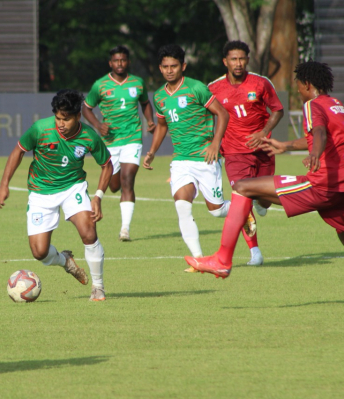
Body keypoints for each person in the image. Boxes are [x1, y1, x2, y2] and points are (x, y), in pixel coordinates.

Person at [186, 60, 344, 279]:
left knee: (242, 187)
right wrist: (286, 145)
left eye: (298, 85)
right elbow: (330, 138)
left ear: (307, 84)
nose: (298, 90)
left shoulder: (313, 105)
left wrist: (314, 155)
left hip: (321, 184)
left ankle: (222, 260)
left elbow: (319, 134)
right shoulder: (336, 104)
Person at [0, 89, 113, 301]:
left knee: (88, 232)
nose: (60, 123)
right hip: (41, 192)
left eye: (66, 119)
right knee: (39, 252)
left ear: (78, 116)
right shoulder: (40, 129)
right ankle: (64, 260)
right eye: (58, 118)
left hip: (72, 187)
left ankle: (98, 287)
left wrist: (98, 197)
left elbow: (107, 165)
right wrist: (4, 185)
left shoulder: (89, 136)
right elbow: (18, 151)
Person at [143, 44, 236, 272]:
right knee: (182, 206)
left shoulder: (196, 88)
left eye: (174, 66)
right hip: (181, 161)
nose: (169, 70)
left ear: (183, 66)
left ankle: (244, 208)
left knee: (216, 210)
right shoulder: (160, 97)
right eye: (165, 67)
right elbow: (162, 125)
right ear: (160, 68)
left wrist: (215, 143)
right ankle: (199, 259)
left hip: (205, 158)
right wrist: (152, 151)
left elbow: (222, 114)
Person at [207, 40, 284, 266]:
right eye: (233, 59)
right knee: (243, 200)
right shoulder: (214, 88)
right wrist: (212, 142)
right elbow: (203, 115)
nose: (238, 63)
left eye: (242, 59)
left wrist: (264, 132)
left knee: (263, 201)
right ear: (225, 62)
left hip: (263, 150)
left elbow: (278, 110)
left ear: (248, 60)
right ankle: (255, 252)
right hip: (233, 153)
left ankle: (263, 203)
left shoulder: (261, 83)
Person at [82, 45, 156, 242]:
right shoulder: (101, 85)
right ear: (110, 63)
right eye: (116, 60)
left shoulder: (138, 83)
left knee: (127, 179)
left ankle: (125, 229)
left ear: (128, 62)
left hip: (132, 138)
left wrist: (149, 120)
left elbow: (145, 103)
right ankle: (119, 210)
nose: (120, 63)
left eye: (123, 60)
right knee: (114, 185)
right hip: (110, 142)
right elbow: (86, 107)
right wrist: (98, 125)